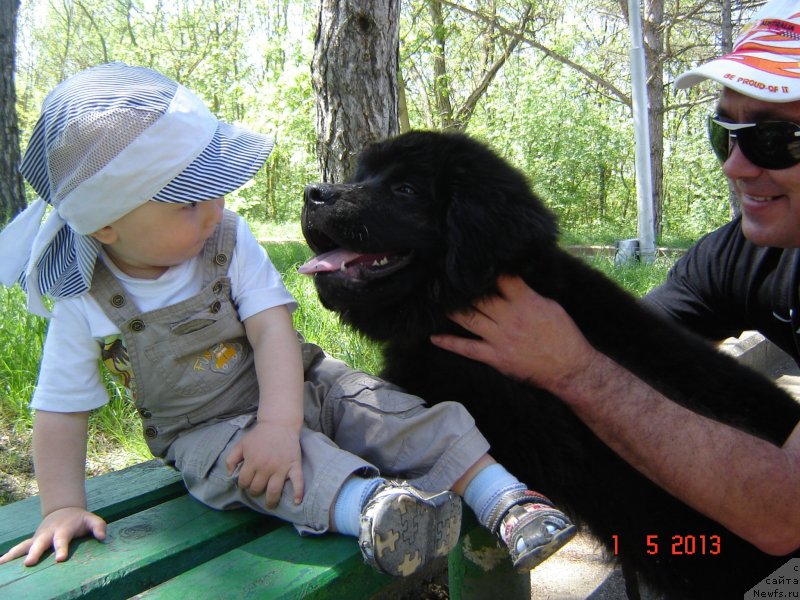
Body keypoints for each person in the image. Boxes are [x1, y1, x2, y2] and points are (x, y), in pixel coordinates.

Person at [0, 62, 576, 576]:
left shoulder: (227, 239)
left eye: (215, 188)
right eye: (189, 202)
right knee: (262, 474)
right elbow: (60, 406)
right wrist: (62, 505)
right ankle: (376, 512)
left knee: (383, 409)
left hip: (301, 381)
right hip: (207, 429)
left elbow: (271, 328)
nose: (214, 210)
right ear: (107, 225)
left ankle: (506, 499)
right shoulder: (85, 298)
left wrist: (280, 421)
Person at [431, 0, 800, 558]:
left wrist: (575, 370)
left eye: (773, 140)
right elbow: (633, 342)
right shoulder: (745, 256)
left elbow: (784, 513)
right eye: (725, 133)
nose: (735, 166)